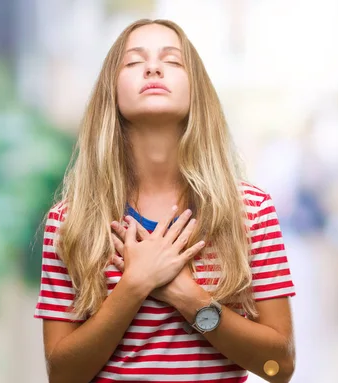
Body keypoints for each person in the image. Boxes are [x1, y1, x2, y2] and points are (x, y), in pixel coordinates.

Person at [34, 19, 296, 383]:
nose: (153, 67)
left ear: (196, 91)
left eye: (172, 61)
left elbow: (279, 367)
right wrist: (135, 284)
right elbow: (62, 376)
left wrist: (189, 297)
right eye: (134, 61)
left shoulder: (251, 211)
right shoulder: (70, 221)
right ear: (112, 90)